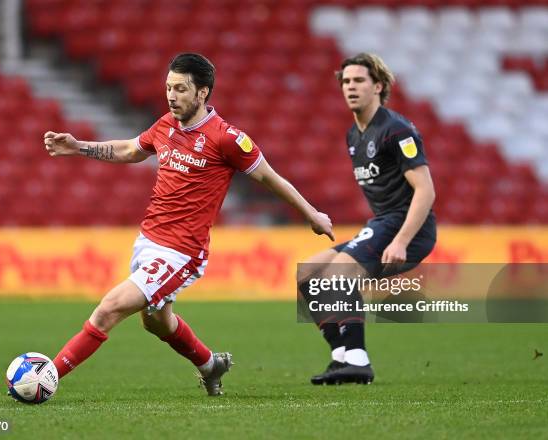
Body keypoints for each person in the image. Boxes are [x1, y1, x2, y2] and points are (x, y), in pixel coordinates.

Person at [43, 53, 334, 396]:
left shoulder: (227, 138)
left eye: (180, 89)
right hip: (148, 241)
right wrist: (79, 147)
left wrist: (311, 214)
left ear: (202, 93)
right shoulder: (165, 124)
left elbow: (270, 178)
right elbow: (130, 150)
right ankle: (211, 365)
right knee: (156, 322)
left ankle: (46, 377)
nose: (171, 95)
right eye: (169, 87)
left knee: (109, 309)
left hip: (182, 252)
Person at [301, 53, 436, 385]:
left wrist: (402, 240)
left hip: (406, 226)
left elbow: (426, 190)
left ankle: (359, 361)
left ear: (378, 86)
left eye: (359, 80)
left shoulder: (396, 130)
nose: (351, 87)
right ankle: (341, 356)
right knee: (307, 273)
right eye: (346, 81)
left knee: (338, 272)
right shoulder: (353, 136)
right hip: (383, 223)